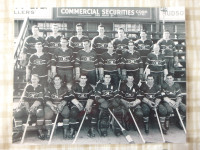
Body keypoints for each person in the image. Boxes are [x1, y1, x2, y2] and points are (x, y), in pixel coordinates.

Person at [13, 74, 45, 141]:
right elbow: (25, 99)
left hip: (37, 105)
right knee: (16, 113)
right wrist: (28, 108)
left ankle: (39, 130)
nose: (34, 80)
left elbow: (40, 99)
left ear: (38, 80)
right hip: (27, 106)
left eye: (35, 79)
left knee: (40, 112)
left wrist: (33, 107)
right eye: (33, 79)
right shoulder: (28, 87)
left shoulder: (41, 87)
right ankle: (19, 132)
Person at [68, 74, 97, 138]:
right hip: (76, 103)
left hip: (86, 103)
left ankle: (91, 129)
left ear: (86, 79)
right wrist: (78, 104)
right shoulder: (75, 86)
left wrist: (88, 105)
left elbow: (92, 97)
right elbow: (71, 96)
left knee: (94, 111)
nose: (83, 80)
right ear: (79, 79)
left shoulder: (89, 87)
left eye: (84, 79)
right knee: (73, 112)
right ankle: (72, 129)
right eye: (82, 78)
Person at [44, 75, 72, 139]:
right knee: (48, 114)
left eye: (58, 79)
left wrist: (61, 105)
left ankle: (65, 131)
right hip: (52, 105)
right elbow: (46, 99)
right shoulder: (50, 88)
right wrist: (51, 105)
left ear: (60, 80)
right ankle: (48, 131)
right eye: (55, 80)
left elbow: (66, 99)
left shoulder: (64, 88)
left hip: (61, 105)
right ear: (53, 81)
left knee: (66, 113)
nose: (57, 81)